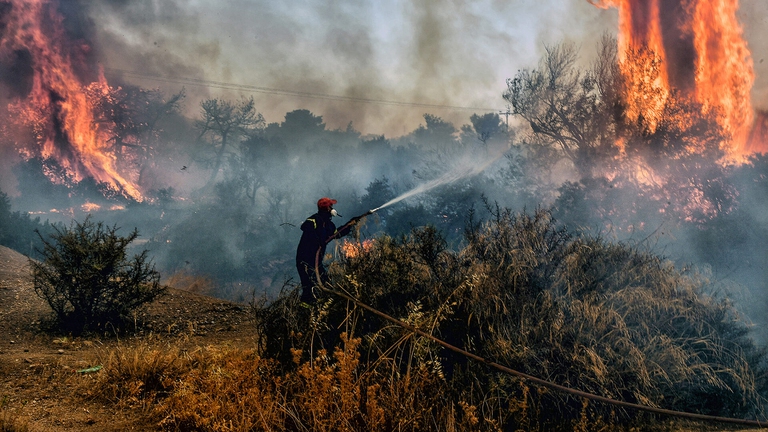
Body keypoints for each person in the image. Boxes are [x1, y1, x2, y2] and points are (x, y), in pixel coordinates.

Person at [295, 197, 361, 305]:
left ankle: (324, 304)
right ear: (327, 208)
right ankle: (305, 309)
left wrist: (349, 224)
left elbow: (337, 234)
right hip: (304, 260)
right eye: (331, 206)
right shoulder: (314, 219)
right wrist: (318, 240)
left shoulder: (329, 225)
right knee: (308, 285)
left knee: (325, 281)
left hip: (316, 261)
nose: (332, 209)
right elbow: (305, 226)